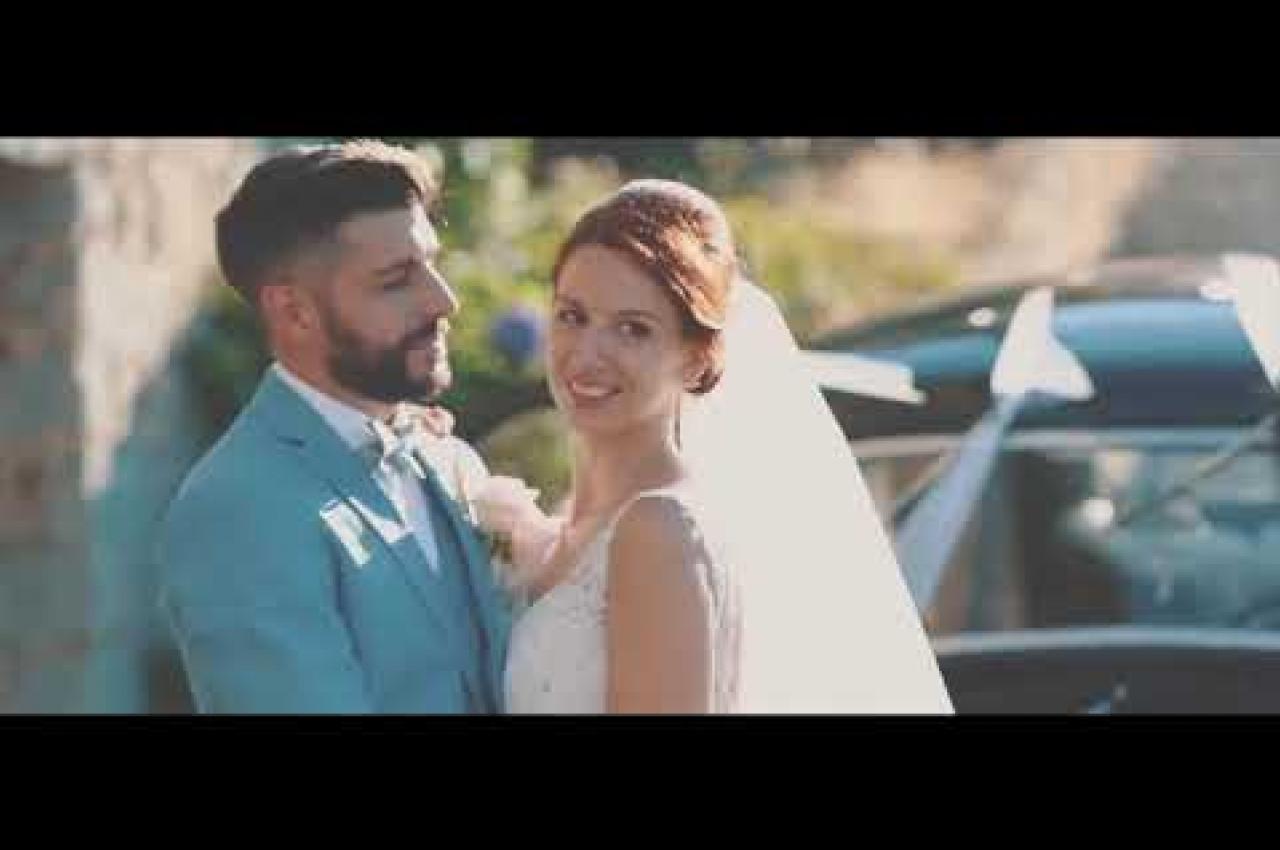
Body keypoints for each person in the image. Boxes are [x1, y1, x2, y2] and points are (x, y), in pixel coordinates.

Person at [502, 179, 954, 713]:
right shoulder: (568, 526)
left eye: (633, 329)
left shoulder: (657, 528)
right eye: (572, 316)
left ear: (696, 359)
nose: (586, 353)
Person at [158, 140, 511, 713]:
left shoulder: (448, 458)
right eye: (395, 280)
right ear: (294, 311)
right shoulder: (235, 508)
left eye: (432, 264)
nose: (443, 301)